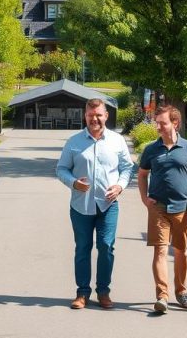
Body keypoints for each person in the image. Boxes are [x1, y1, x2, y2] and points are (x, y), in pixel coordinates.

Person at [56, 98, 134, 310]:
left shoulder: (117, 141)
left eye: (99, 115)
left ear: (106, 116)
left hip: (108, 205)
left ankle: (103, 291)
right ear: (85, 116)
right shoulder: (74, 141)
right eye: (91, 115)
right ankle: (82, 293)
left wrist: (119, 186)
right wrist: (73, 183)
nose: (95, 119)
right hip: (81, 205)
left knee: (106, 247)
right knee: (82, 248)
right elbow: (61, 169)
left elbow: (128, 168)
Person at [137, 105, 187, 313]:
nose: (158, 127)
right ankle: (162, 296)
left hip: (183, 208)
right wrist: (144, 198)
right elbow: (142, 174)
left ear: (175, 123)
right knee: (160, 250)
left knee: (181, 251)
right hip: (158, 206)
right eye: (156, 123)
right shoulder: (151, 149)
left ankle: (182, 292)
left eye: (162, 123)